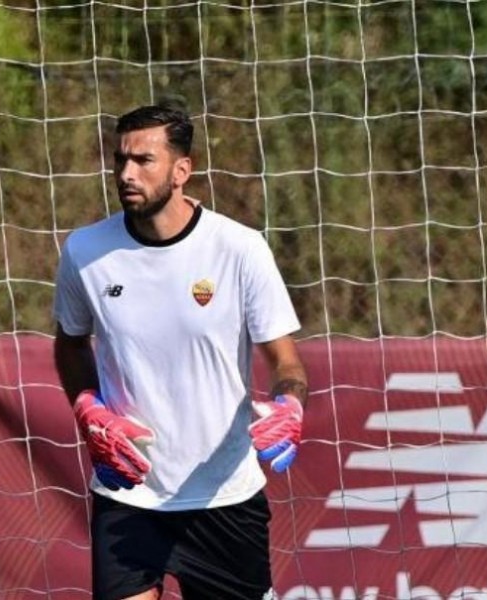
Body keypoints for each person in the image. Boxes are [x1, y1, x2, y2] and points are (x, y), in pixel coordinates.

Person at [52, 102, 308, 600]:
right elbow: (69, 346)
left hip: (224, 498)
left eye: (144, 160)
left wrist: (290, 404)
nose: (127, 173)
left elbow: (287, 360)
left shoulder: (240, 248)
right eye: (120, 159)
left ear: (181, 170)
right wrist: (88, 408)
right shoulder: (84, 251)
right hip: (128, 492)